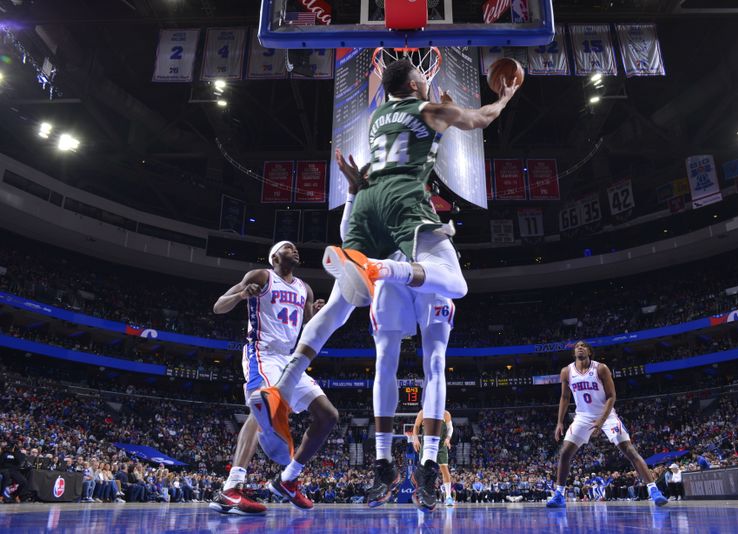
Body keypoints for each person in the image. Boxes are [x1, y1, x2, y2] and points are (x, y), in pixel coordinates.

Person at [260, 60, 520, 469]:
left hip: (365, 198)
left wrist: (438, 112)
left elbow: (412, 130)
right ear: (416, 82)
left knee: (337, 306)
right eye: (424, 77)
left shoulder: (379, 116)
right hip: (402, 198)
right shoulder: (428, 109)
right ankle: (385, 269)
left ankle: (282, 388)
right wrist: (504, 97)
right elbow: (481, 118)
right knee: (455, 282)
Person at [334, 150, 455, 512]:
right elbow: (348, 240)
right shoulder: (371, 204)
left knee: (434, 362)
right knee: (385, 360)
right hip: (389, 274)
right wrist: (352, 194)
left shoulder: (418, 189)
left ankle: (429, 466)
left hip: (428, 269)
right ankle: (383, 464)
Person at [209, 241, 338, 514]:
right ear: (275, 256)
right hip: (263, 353)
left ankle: (288, 480)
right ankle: (231, 488)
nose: (295, 250)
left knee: (328, 415)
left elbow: (308, 327)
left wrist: (316, 313)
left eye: (295, 248)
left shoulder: (305, 288)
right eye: (289, 247)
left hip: (290, 360)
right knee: (261, 408)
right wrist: (242, 294)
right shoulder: (261, 276)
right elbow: (218, 306)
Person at [546, 341, 668, 508]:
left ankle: (654, 490)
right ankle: (559, 494)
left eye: (583, 345)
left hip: (607, 415)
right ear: (573, 352)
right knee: (565, 452)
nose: (579, 347)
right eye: (577, 346)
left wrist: (601, 421)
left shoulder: (600, 368)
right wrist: (559, 422)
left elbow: (611, 396)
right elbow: (565, 398)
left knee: (629, 450)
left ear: (589, 351)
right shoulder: (566, 371)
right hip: (582, 416)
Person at [412, 409, 456, 508]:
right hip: (426, 446)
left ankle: (448, 496)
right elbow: (416, 426)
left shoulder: (445, 413)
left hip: (441, 445)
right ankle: (421, 493)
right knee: (424, 470)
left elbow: (450, 428)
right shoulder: (423, 412)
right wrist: (415, 438)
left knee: (445, 470)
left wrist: (448, 438)